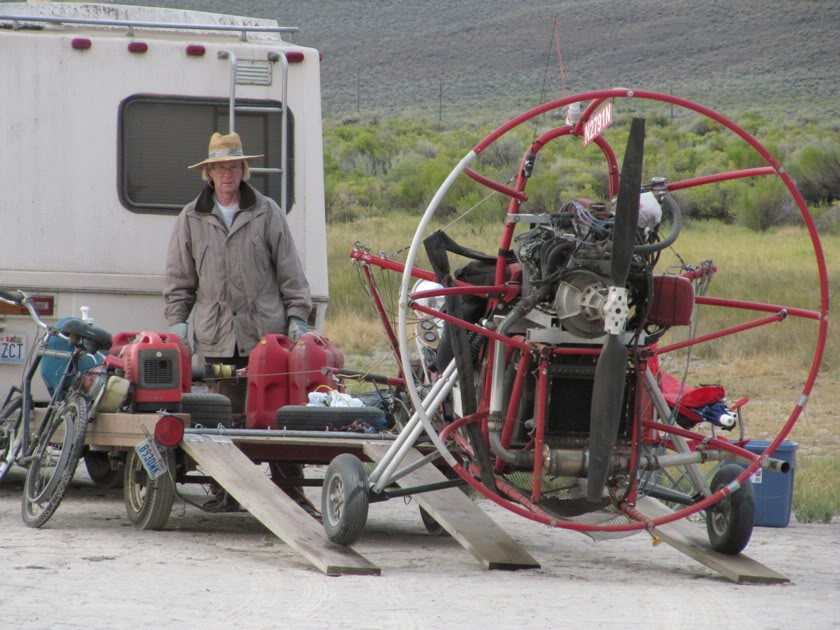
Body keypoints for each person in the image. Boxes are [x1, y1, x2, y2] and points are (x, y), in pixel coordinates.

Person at [164, 131, 312, 415]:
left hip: (266, 340)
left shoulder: (268, 212)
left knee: (275, 418)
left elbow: (291, 273)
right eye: (219, 167)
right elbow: (179, 281)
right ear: (209, 173)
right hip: (217, 343)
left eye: (233, 167)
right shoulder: (190, 217)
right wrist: (177, 325)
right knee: (224, 419)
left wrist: (298, 319)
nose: (227, 174)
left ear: (243, 171)